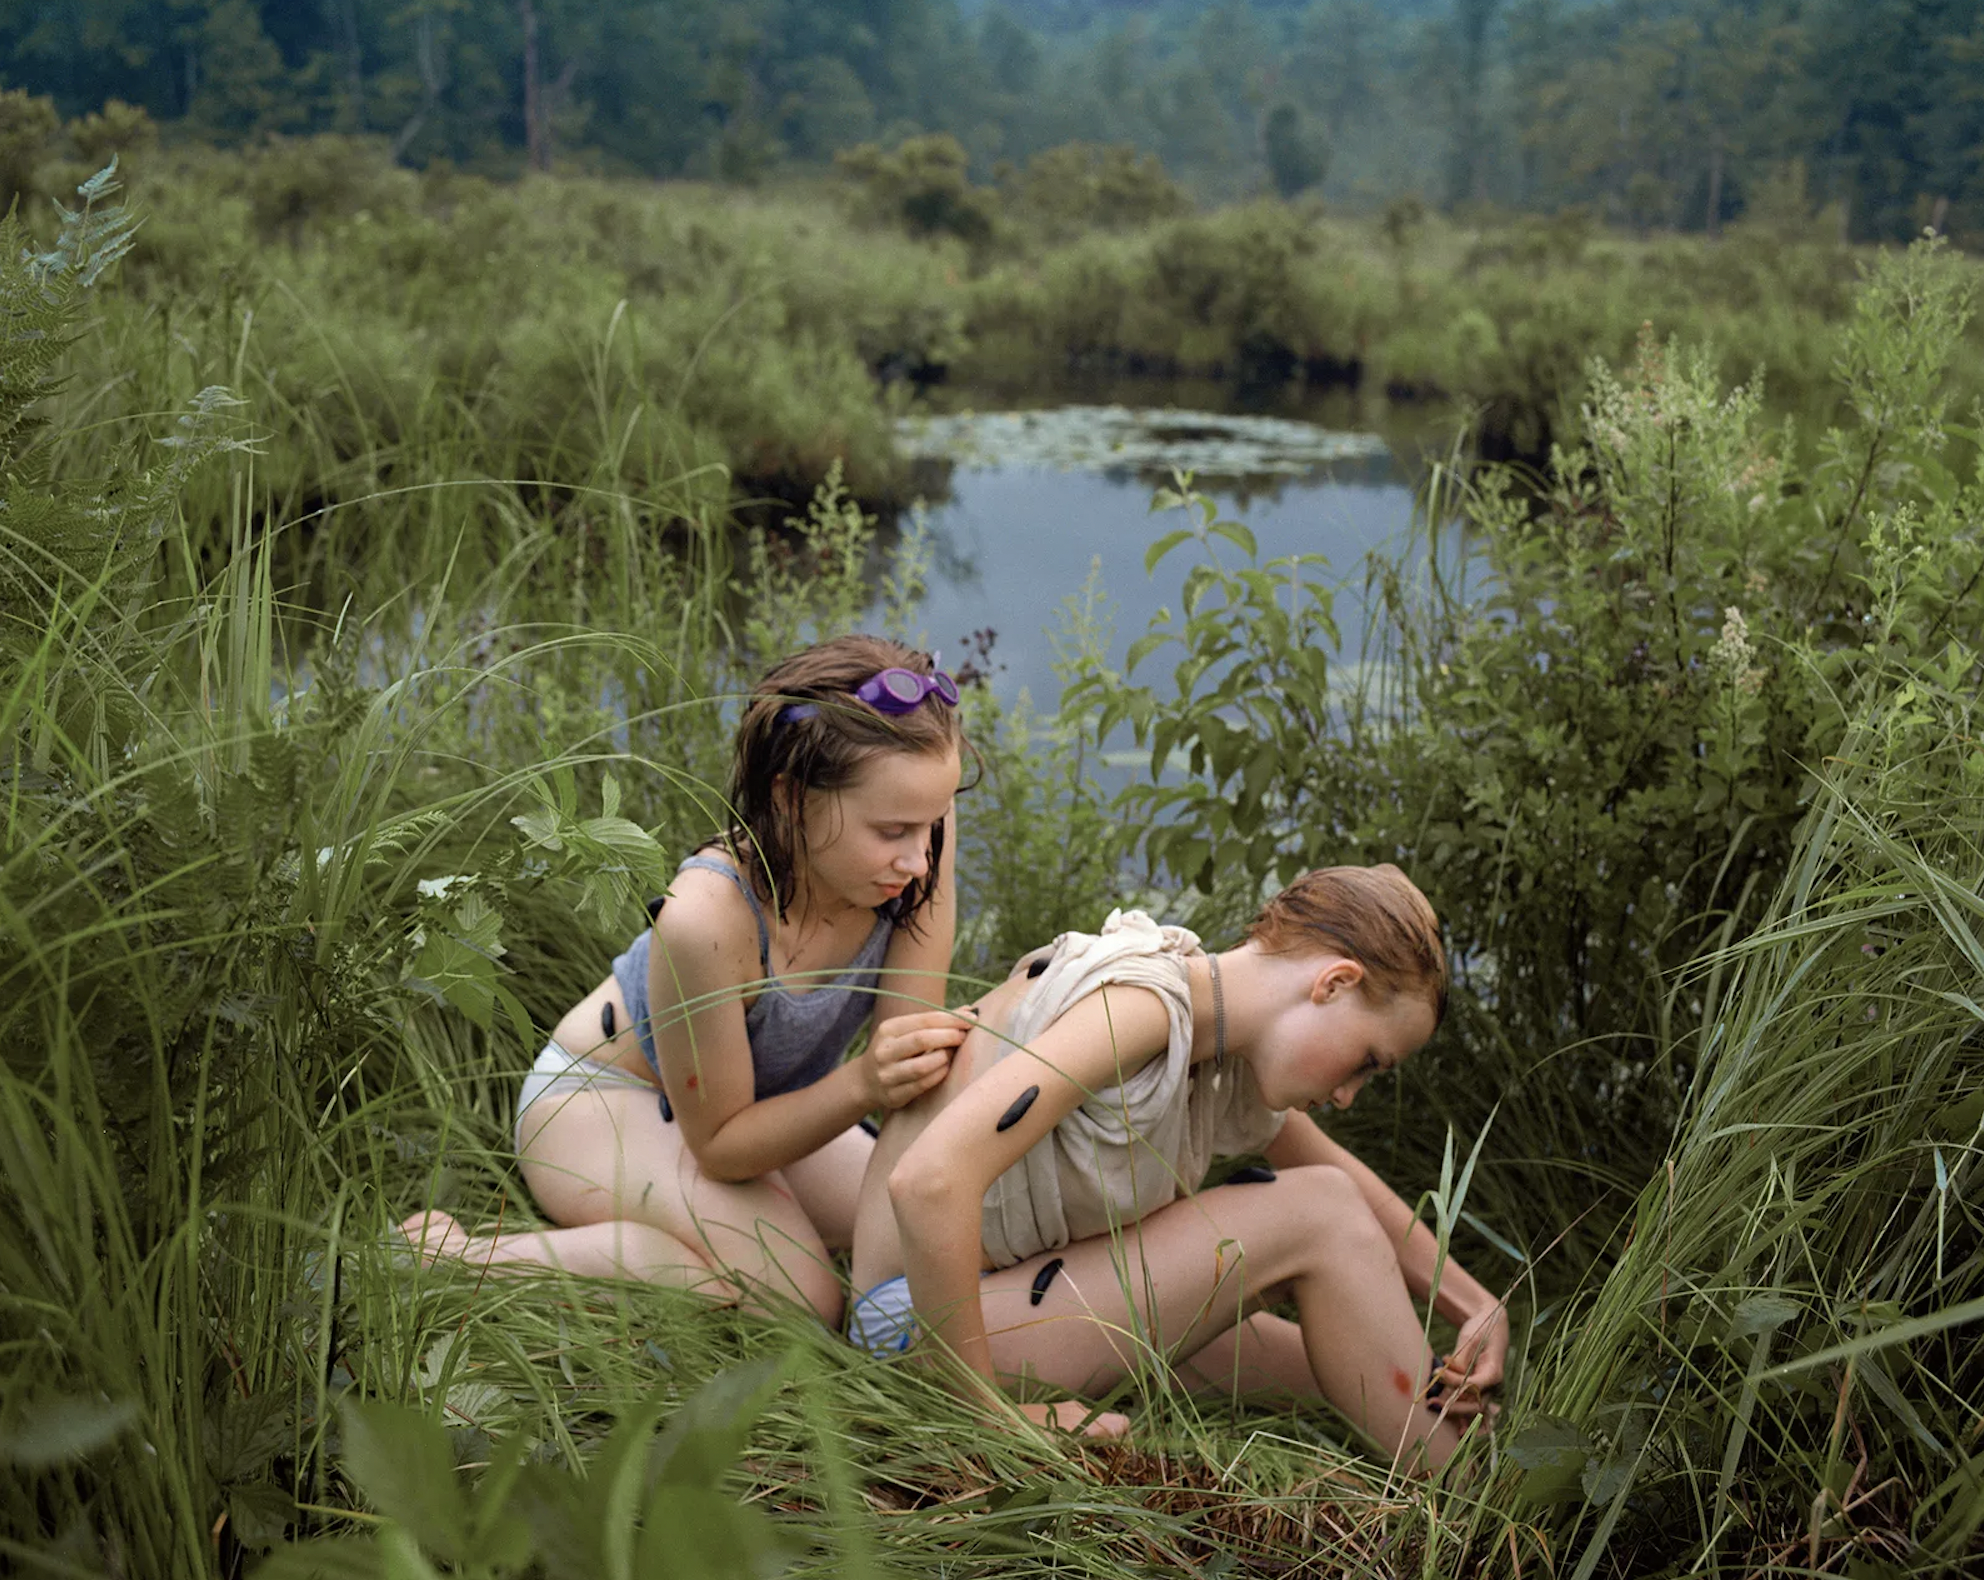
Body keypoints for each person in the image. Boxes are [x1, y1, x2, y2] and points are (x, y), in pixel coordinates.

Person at [847, 866, 1508, 1469]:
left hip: (1001, 1296)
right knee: (1320, 1212)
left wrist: (1475, 1304)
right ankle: (1481, 1510)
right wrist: (992, 1418)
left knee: (1344, 1359)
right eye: (1367, 1060)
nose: (1346, 1095)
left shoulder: (1215, 1033)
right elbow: (930, 1180)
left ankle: (1468, 1449)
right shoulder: (1142, 1005)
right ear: (1335, 983)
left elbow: (1342, 1172)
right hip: (917, 1329)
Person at [401, 636, 975, 1325]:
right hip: (606, 1105)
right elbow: (723, 1146)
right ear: (790, 799)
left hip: (764, 1104)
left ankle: (708, 1239)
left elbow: (909, 1056)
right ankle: (467, 1259)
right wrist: (861, 1086)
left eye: (931, 822)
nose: (918, 858)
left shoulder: (918, 845)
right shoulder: (704, 918)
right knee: (802, 1300)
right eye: (893, 830)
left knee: (944, 1223)